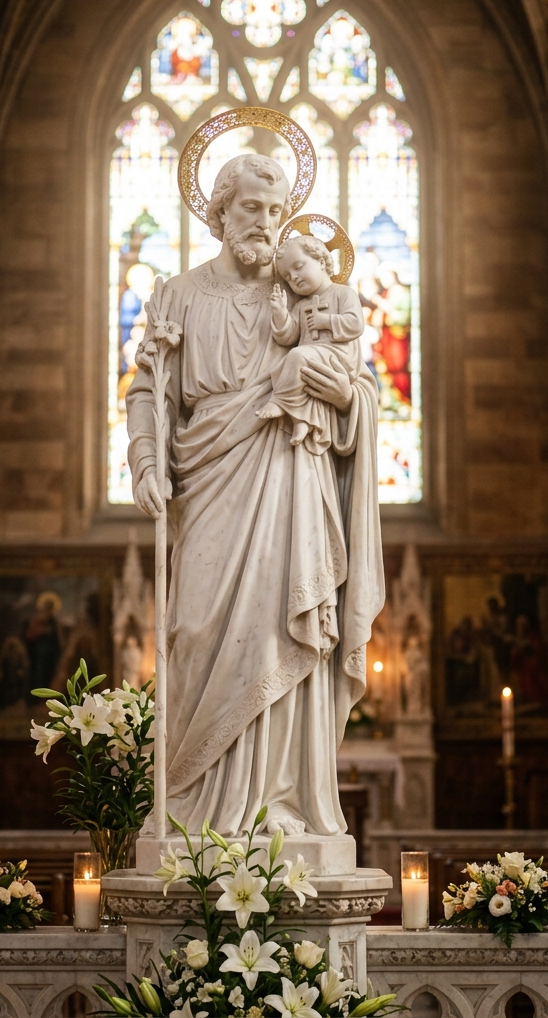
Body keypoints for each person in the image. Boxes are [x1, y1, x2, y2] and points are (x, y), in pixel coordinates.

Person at [127, 152, 383, 837]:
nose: (267, 224)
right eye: (251, 209)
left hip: (291, 482)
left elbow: (357, 385)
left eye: (275, 211)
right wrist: (146, 460)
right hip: (207, 479)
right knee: (196, 628)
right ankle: (187, 807)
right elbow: (150, 389)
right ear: (219, 212)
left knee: (280, 630)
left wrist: (345, 399)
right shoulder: (178, 294)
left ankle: (278, 803)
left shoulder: (304, 291)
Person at [256, 235, 365, 455]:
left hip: (338, 358)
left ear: (322, 262)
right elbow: (289, 336)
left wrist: (327, 321)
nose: (294, 277)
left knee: (296, 357)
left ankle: (279, 401)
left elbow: (355, 324)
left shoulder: (343, 294)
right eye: (287, 276)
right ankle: (302, 421)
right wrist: (280, 314)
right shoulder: (301, 305)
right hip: (312, 358)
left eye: (298, 267)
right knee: (299, 366)